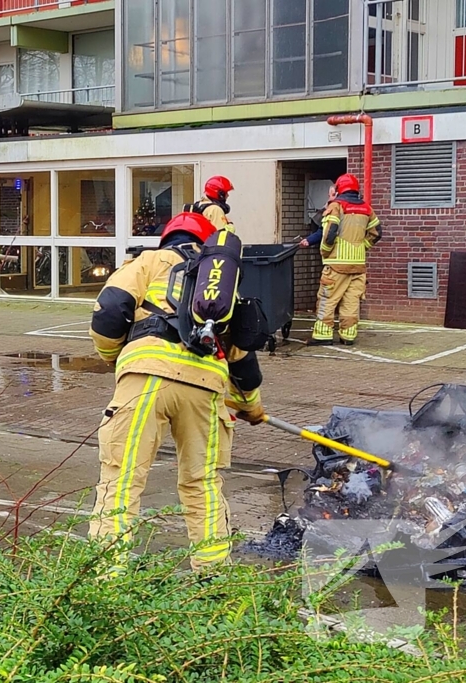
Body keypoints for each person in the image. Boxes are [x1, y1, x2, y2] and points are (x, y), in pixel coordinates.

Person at [88, 211, 265, 569]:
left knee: (121, 480)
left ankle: (106, 581)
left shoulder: (149, 261)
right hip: (205, 388)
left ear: (166, 238)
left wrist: (115, 357)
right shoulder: (219, 285)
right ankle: (214, 580)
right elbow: (242, 360)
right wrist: (251, 407)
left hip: (146, 380)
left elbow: (109, 312)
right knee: (202, 486)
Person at [307, 174, 383, 347]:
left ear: (340, 189)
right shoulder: (367, 208)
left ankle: (322, 335)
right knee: (351, 301)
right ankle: (348, 336)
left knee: (328, 299)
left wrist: (325, 252)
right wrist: (361, 246)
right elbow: (377, 233)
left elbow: (330, 232)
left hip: (336, 264)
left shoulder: (337, 206)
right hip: (357, 265)